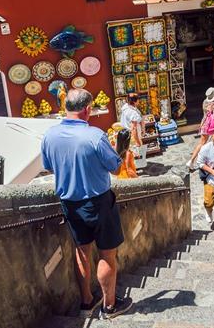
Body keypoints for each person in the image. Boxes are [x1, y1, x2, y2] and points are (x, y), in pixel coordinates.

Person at [41, 89, 133, 319]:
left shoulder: (50, 135)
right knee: (107, 255)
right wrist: (120, 150)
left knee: (81, 253)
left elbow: (50, 166)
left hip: (69, 202)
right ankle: (110, 306)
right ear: (87, 109)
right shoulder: (94, 136)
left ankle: (86, 302)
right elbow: (116, 167)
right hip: (99, 202)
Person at [186, 87, 214, 169]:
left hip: (204, 124)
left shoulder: (205, 102)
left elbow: (206, 114)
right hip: (213, 127)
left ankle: (191, 161)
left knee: (201, 143)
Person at [119, 93, 145, 159]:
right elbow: (133, 128)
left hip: (127, 134)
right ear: (134, 101)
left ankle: (135, 166)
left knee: (130, 153)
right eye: (138, 99)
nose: (139, 101)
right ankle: (137, 166)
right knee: (136, 153)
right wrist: (137, 141)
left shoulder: (126, 107)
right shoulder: (132, 113)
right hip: (133, 137)